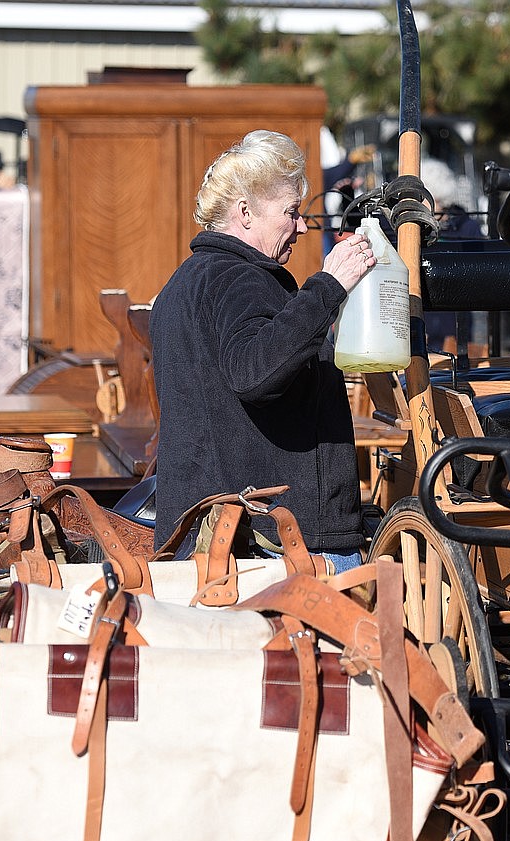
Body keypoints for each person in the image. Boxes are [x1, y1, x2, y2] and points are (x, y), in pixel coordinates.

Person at [149, 129, 377, 572]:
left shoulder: (186, 281)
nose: (302, 226)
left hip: (218, 541)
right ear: (246, 212)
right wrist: (328, 287)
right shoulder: (241, 278)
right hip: (275, 548)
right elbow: (255, 371)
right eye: (290, 212)